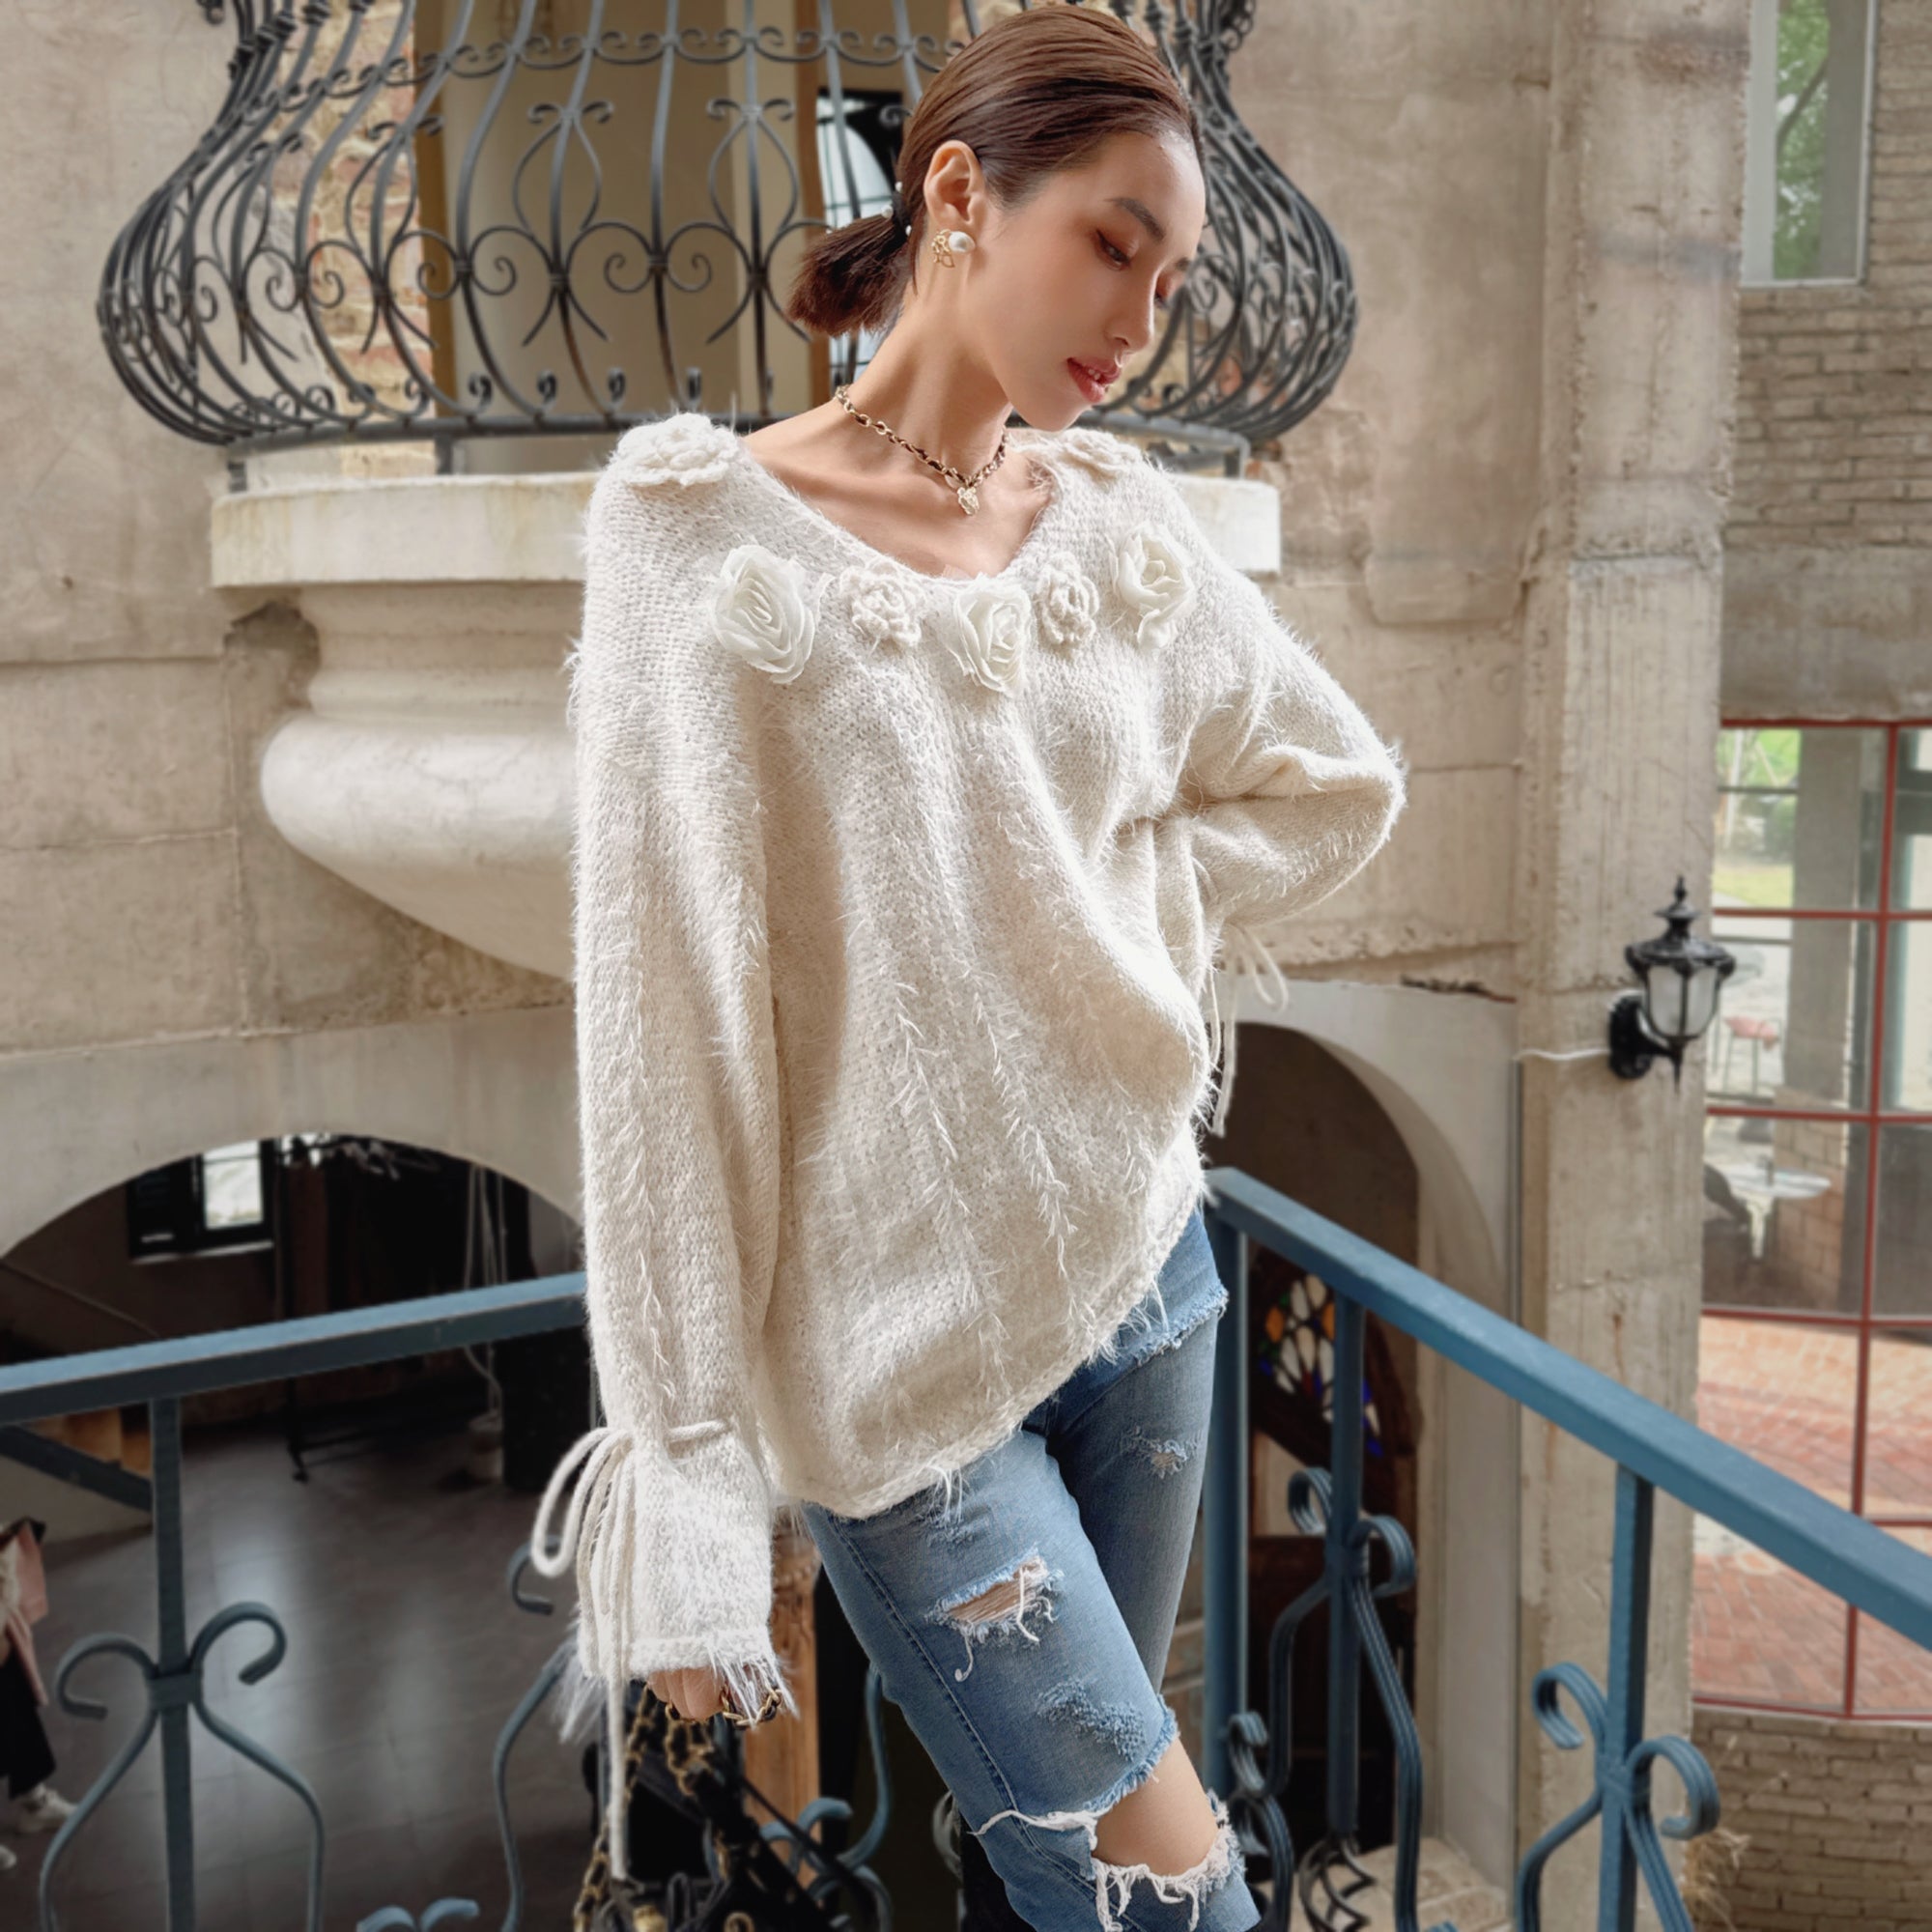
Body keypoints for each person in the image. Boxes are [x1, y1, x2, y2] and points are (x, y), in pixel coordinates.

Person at [528, 8, 1407, 1927]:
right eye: (1113, 245)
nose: (1142, 321)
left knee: (1052, 1876)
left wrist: (1129, 887)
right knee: (1175, 1898)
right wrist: (692, 1493)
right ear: (957, 194)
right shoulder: (697, 540)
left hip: (1151, 1284)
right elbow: (670, 1044)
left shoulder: (1122, 532)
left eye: (1170, 284)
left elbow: (1338, 781)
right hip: (902, 1391)